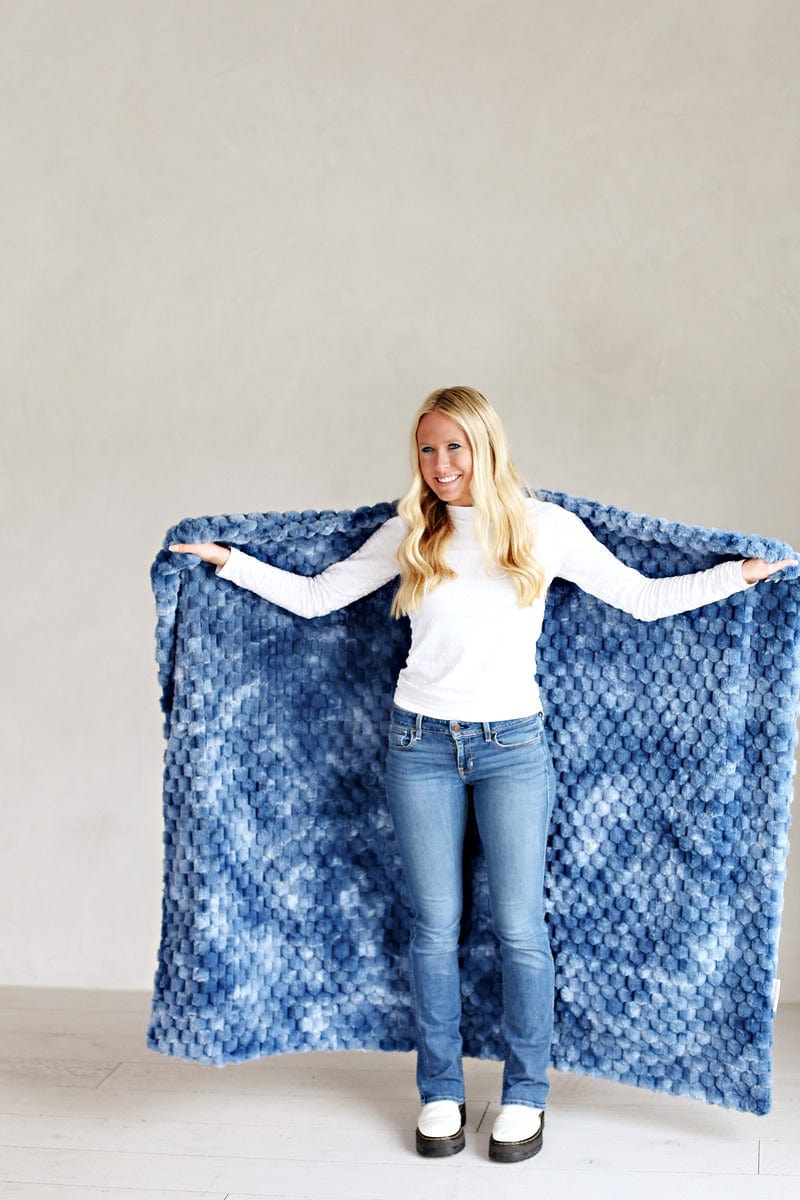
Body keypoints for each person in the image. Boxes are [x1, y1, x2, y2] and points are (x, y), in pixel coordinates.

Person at [169, 386, 796, 1163]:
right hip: (419, 746)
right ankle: (440, 1091)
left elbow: (639, 599)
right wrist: (229, 564)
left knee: (519, 928)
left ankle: (525, 1094)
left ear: (486, 447)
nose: (440, 465)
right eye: (427, 450)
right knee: (434, 929)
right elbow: (318, 596)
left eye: (454, 448)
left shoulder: (544, 528)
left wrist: (737, 578)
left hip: (513, 750)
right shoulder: (412, 529)